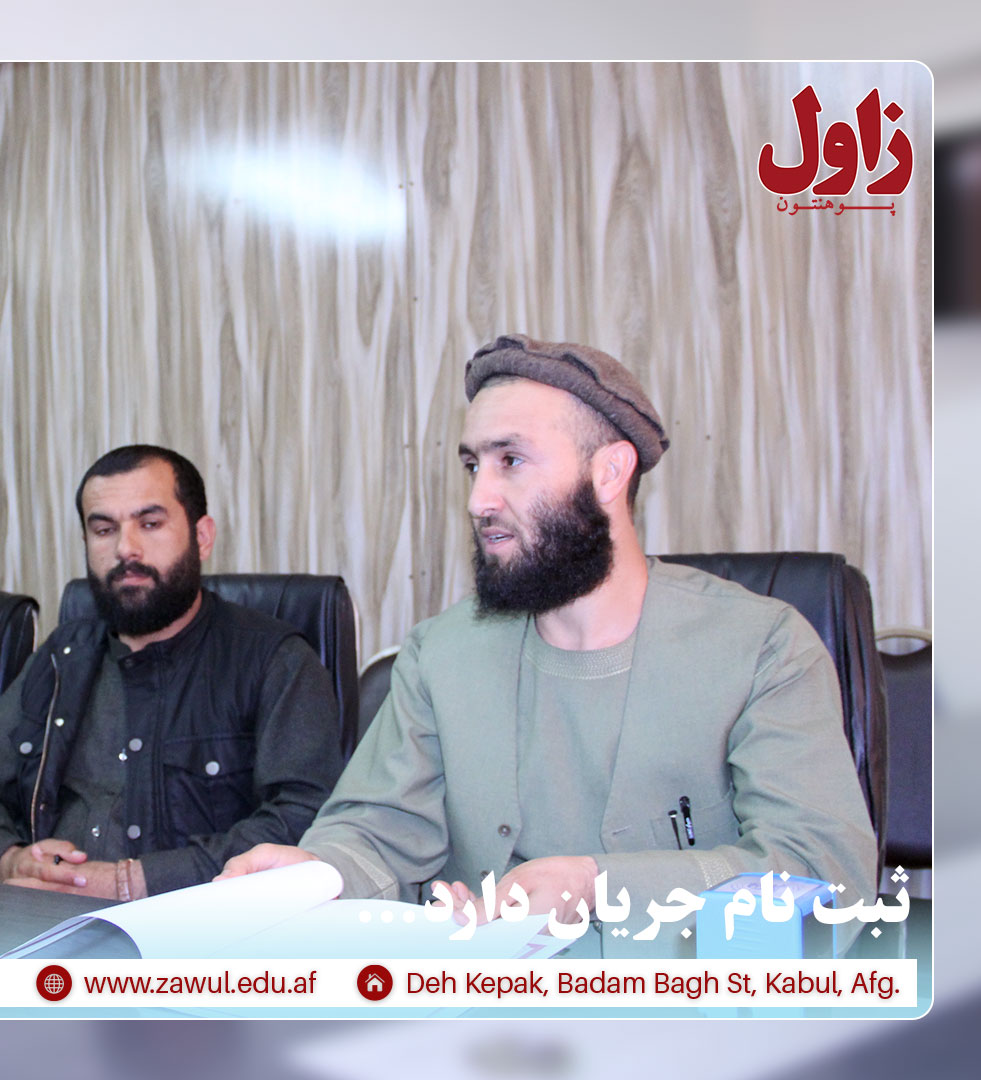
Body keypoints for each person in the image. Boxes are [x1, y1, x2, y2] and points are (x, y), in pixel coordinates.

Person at [218, 334, 877, 944]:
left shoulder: (761, 648)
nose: (479, 499)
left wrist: (597, 886)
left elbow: (825, 874)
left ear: (609, 472)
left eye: (511, 460)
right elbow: (375, 834)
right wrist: (316, 874)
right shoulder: (439, 656)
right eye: (473, 465)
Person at [0, 444, 343, 899]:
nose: (125, 549)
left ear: (202, 536)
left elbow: (304, 814)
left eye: (149, 524)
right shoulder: (63, 655)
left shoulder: (273, 660)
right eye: (104, 529)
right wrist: (6, 858)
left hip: (201, 927)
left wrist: (134, 883)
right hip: (40, 916)